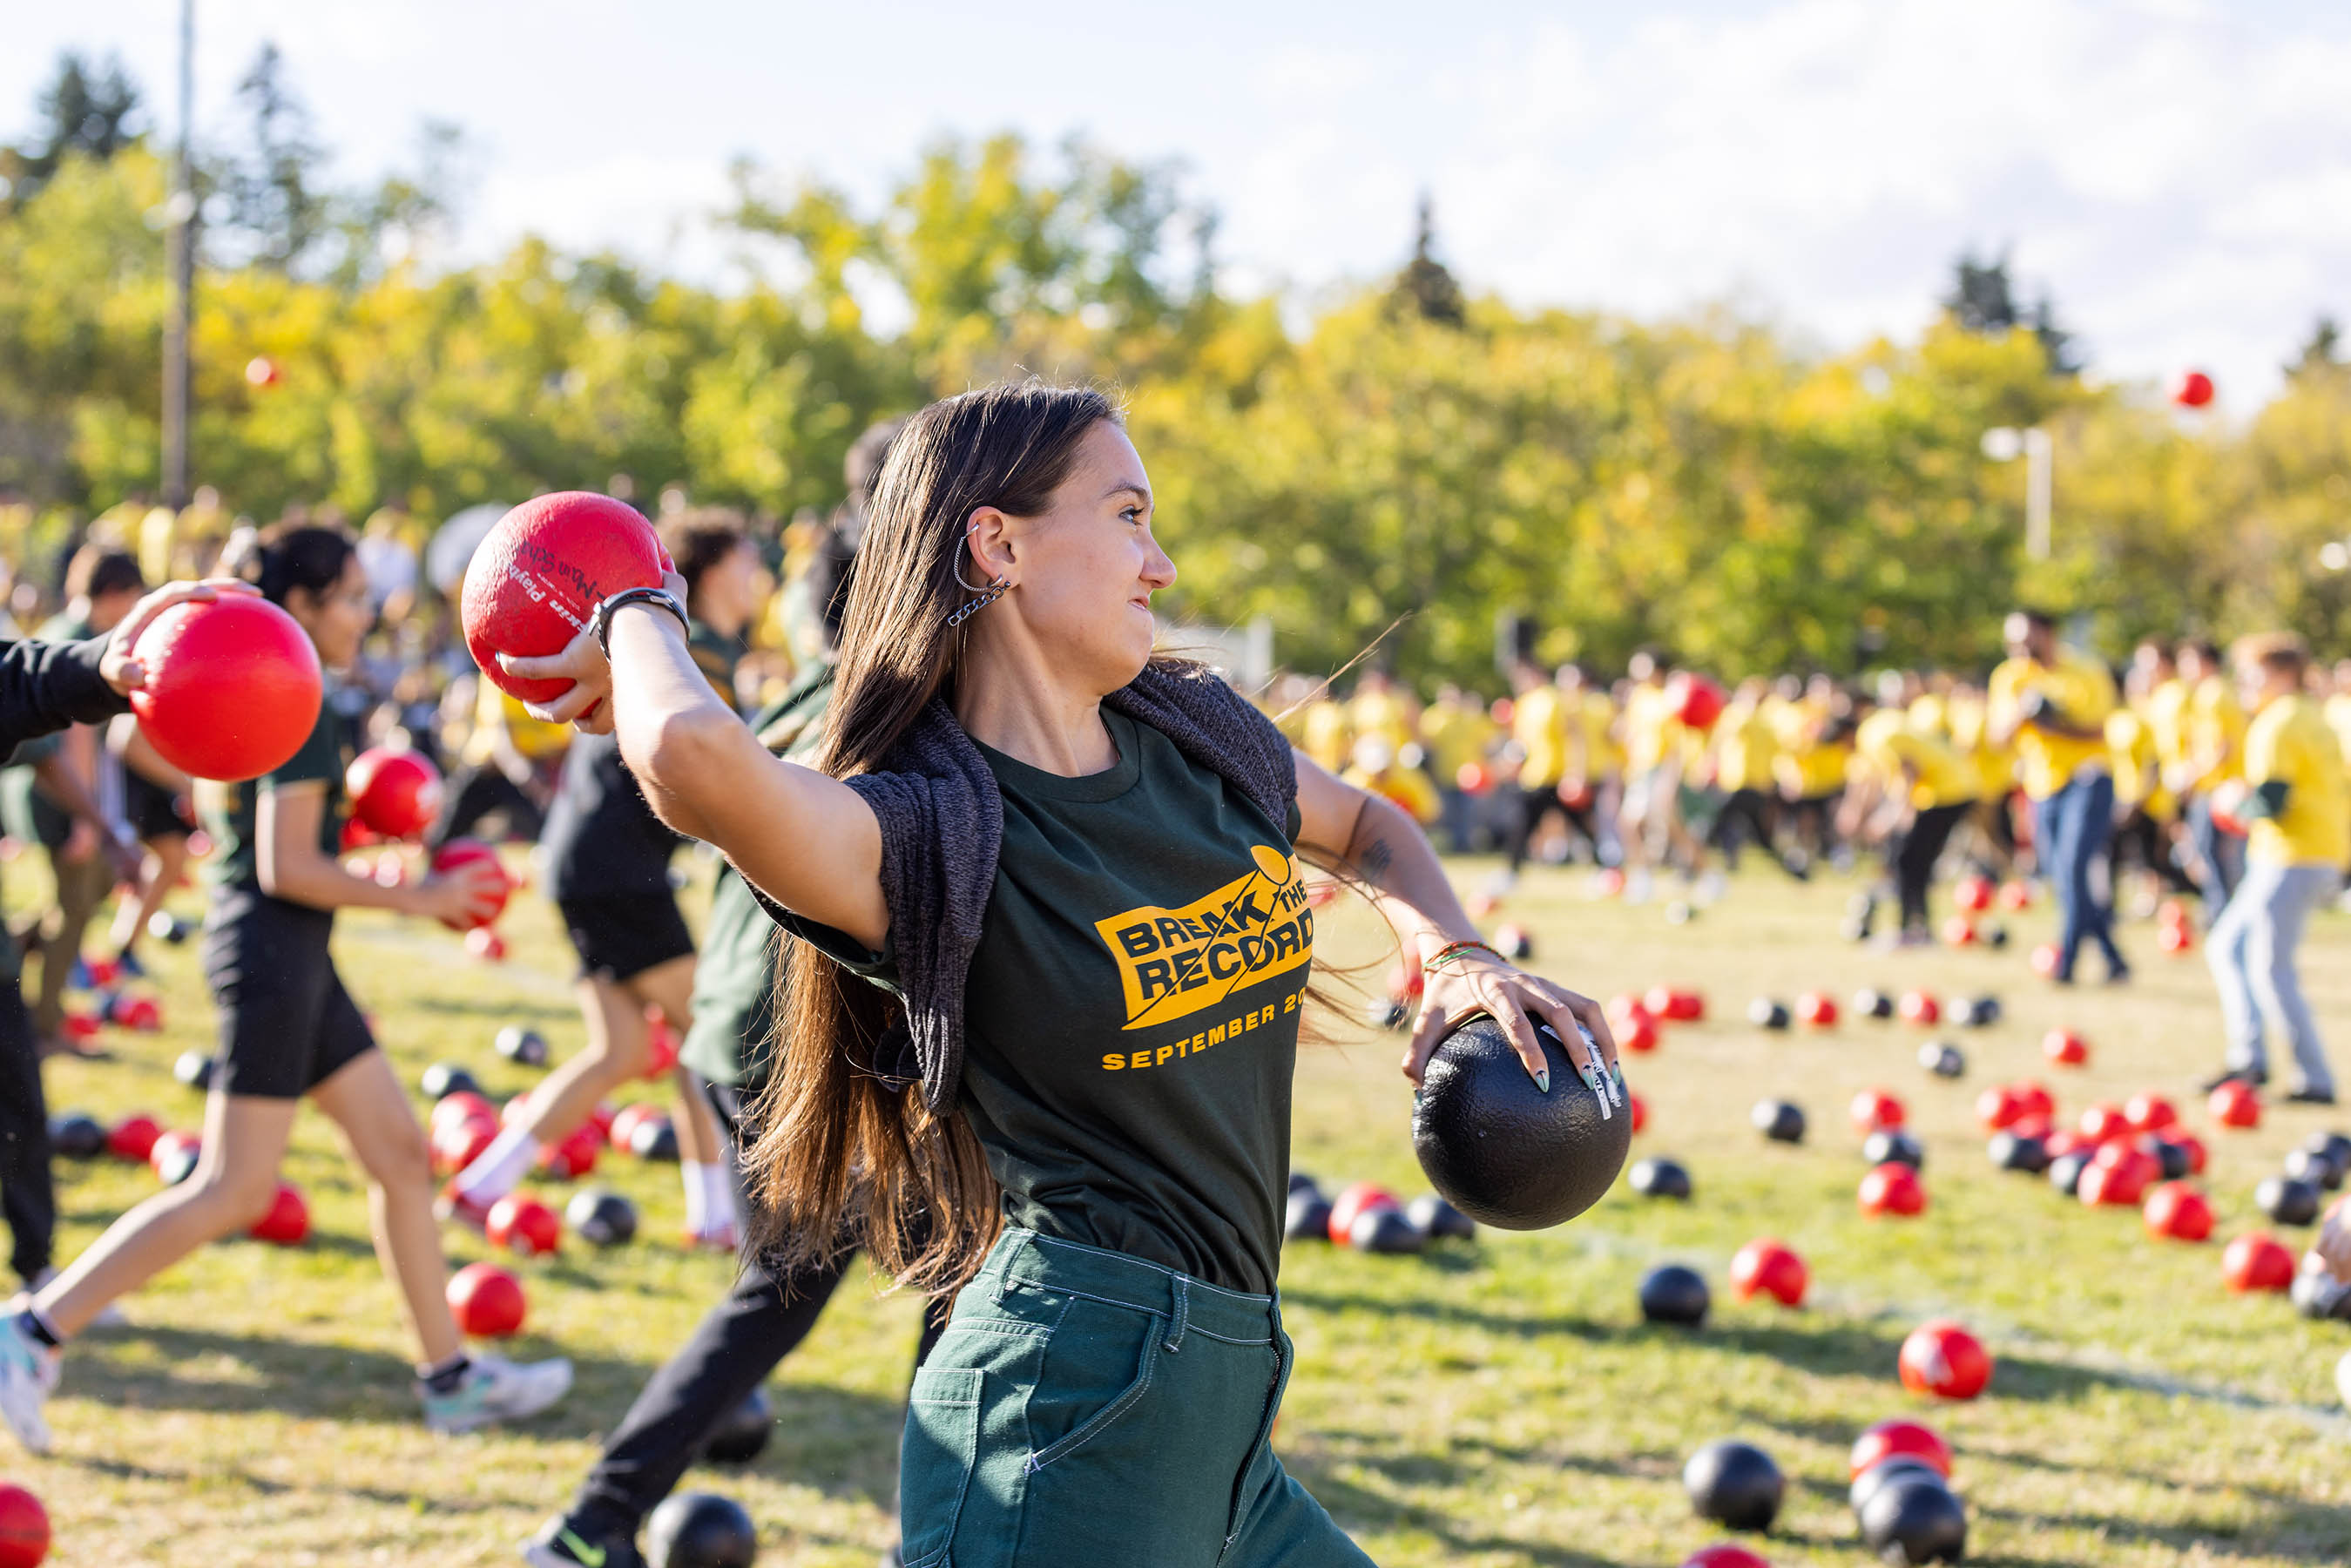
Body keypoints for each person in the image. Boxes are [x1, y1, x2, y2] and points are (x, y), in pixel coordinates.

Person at [510, 382, 1618, 1567]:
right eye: (1130, 515)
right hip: (1064, 1420)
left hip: (1217, 1426)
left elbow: (1363, 832)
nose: (1163, 564)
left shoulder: (1194, 735)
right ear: (998, 542)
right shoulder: (924, 835)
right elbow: (689, 754)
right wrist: (631, 604)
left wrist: (1448, 952)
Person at [0, 526, 571, 1455]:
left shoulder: (257, 677)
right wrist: (419, 894)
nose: (363, 612)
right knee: (233, 1186)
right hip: (272, 950)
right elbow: (287, 863)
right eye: (347, 596)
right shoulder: (297, 694)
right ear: (300, 608)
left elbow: (167, 763)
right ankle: (31, 1333)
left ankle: (450, 1379)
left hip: (285, 948)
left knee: (396, 1150)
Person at [525, 471, 954, 1568]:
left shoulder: (800, 695)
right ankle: (591, 1526)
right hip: (790, 1048)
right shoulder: (905, 717)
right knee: (829, 1286)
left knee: (945, 1259)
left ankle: (941, 1531)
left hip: (734, 1036)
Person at [439, 512, 753, 1247]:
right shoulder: (689, 647)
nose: (757, 582)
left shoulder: (664, 638)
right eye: (745, 566)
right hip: (617, 870)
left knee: (622, 1051)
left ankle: (483, 1183)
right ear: (707, 574)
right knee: (715, 1037)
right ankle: (721, 1216)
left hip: (583, 861)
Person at [3, 547, 147, 1042]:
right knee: (74, 910)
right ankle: (47, 1024)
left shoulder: (71, 630)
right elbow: (73, 745)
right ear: (112, 595)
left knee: (89, 892)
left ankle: (19, 944)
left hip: (48, 791)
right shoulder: (79, 638)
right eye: (132, 596)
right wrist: (90, 824)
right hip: (56, 797)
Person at [2202, 634, 2347, 1103]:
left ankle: (2315, 1078)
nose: (2243, 684)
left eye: (2252, 674)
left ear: (2283, 674)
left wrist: (2232, 804)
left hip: (2293, 855)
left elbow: (2272, 802)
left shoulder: (2277, 723)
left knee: (2269, 967)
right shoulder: (2310, 715)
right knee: (2228, 946)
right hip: (2308, 852)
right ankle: (2250, 1059)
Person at [1989, 609, 2126, 984]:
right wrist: (2024, 712)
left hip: (2088, 778)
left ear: (2048, 635)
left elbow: (2101, 733)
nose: (2019, 648)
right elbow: (1996, 738)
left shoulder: (2085, 670)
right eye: (2012, 641)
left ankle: (2065, 964)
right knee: (2061, 875)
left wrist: (2055, 723)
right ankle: (2115, 960)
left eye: (2026, 639)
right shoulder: (2009, 678)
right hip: (2041, 786)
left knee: (2072, 867)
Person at [1840, 688, 1978, 944]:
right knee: (1912, 862)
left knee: (1909, 861)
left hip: (1948, 792)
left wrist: (1893, 817)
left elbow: (1909, 771)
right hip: (1951, 789)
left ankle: (1911, 930)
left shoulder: (1877, 737)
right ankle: (1916, 927)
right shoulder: (1879, 727)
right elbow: (1875, 781)